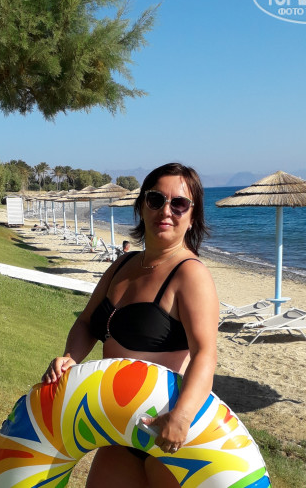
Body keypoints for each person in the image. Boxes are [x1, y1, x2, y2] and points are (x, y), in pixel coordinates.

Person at [42, 163, 219, 488]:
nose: (166, 210)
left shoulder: (191, 275)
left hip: (166, 428)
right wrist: (70, 358)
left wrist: (182, 416)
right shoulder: (122, 264)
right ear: (142, 206)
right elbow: (86, 323)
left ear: (192, 216)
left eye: (179, 203)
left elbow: (205, 354)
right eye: (156, 199)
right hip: (119, 426)